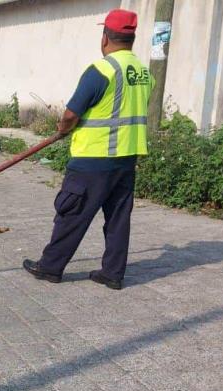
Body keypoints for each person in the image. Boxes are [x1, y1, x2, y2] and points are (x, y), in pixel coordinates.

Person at [23, 9, 154, 290]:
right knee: (118, 218)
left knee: (73, 212)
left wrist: (63, 129)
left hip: (93, 159)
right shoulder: (143, 73)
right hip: (126, 157)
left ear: (105, 37)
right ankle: (112, 273)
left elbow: (71, 114)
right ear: (131, 38)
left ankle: (50, 268)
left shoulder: (101, 70)